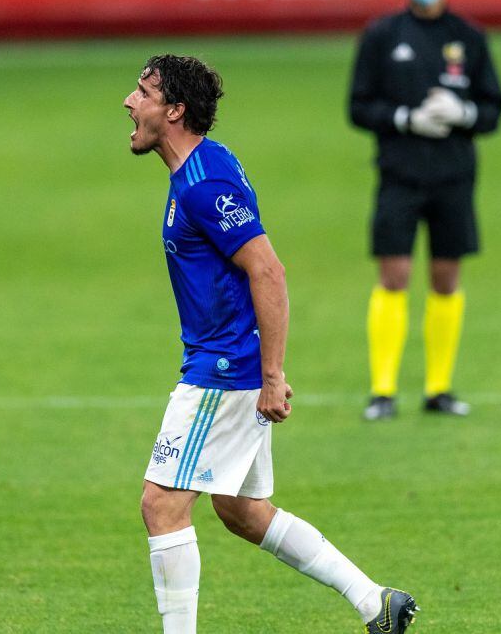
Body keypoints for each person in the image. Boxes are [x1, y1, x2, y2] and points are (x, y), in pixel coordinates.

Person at [125, 54, 418, 634]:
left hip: (223, 369)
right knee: (240, 510)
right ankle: (375, 601)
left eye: (143, 93)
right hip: (230, 362)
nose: (130, 102)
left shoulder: (205, 185)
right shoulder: (205, 165)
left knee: (160, 505)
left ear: (175, 110)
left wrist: (272, 374)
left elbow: (268, 271)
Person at [349, 0, 501, 421]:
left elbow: (493, 109)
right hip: (398, 173)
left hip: (453, 176)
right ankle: (383, 390)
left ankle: (438, 388)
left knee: (445, 276)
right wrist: (404, 119)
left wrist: (462, 113)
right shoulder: (381, 36)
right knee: (393, 274)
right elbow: (358, 106)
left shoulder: (470, 37)